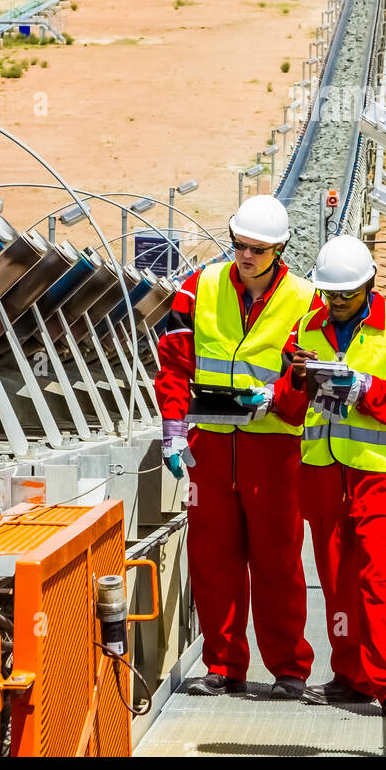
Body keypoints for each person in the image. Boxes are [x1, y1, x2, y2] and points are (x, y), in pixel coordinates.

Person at [154, 194, 318, 699]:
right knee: (213, 557)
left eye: (258, 249)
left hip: (273, 449)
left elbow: (307, 375)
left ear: (280, 249)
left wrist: (277, 398)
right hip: (211, 444)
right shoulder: (198, 289)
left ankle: (289, 670)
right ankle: (223, 666)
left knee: (277, 560)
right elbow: (176, 363)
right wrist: (173, 428)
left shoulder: (305, 299)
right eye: (239, 245)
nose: (245, 256)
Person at [279, 234, 386, 721]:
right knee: (336, 578)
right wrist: (298, 380)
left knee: (380, 574)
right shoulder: (306, 328)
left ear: (368, 284)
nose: (337, 303)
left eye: (346, 294)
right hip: (322, 470)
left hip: (377, 471)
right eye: (330, 294)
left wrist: (365, 390)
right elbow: (288, 409)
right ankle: (350, 676)